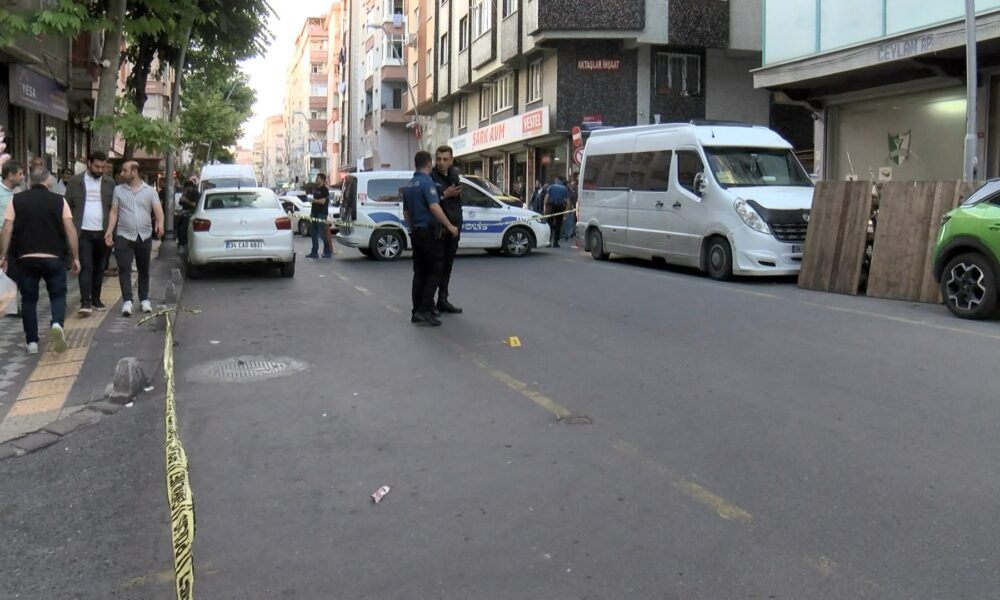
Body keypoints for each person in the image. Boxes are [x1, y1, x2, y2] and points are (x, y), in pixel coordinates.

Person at [0, 167, 80, 354]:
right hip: (54, 257)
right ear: (48, 181)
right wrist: (75, 256)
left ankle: (32, 342)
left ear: (29, 181)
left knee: (29, 300)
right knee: (58, 295)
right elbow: (70, 229)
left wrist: (3, 255)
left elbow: (7, 228)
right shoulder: (59, 200)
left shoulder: (16, 200)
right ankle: (57, 323)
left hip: (25, 258)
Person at [402, 151, 458, 327]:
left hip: (416, 232)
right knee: (435, 270)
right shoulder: (427, 183)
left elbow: (406, 212)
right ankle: (425, 310)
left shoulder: (409, 185)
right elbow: (434, 207)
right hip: (428, 233)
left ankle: (416, 311)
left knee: (419, 273)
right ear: (429, 164)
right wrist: (450, 226)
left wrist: (412, 227)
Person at [104, 161, 164, 317]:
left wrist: (160, 224)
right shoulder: (118, 190)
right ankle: (127, 301)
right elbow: (114, 212)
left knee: (144, 269)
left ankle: (144, 299)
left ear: (134, 172)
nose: (121, 173)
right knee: (124, 268)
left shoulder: (150, 191)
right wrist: (109, 231)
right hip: (123, 235)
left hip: (144, 235)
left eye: (125, 170)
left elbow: (158, 210)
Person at [65, 151, 115, 315]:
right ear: (89, 163)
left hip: (103, 232)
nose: (100, 170)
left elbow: (114, 209)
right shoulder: (75, 182)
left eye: (103, 167)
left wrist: (111, 232)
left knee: (100, 267)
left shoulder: (109, 183)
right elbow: (67, 206)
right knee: (86, 266)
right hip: (82, 232)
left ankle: (96, 299)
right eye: (97, 166)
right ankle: (85, 302)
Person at [429, 145, 463, 315]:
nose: (441, 162)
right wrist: (445, 194)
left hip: (454, 228)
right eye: (439, 159)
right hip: (439, 230)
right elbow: (430, 203)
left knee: (447, 266)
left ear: (451, 160)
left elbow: (457, 202)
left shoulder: (454, 176)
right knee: (436, 268)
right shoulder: (431, 177)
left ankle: (442, 300)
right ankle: (429, 304)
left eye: (445, 159)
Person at [1, 160, 24, 317]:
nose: (22, 177)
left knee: (13, 271)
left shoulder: (18, 192)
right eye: (20, 174)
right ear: (10, 175)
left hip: (15, 236)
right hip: (1, 234)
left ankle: (10, 305)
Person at [306, 173, 333, 258]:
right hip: (314, 213)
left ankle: (327, 250)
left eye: (318, 178)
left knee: (322, 232)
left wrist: (313, 200)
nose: (316, 180)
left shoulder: (325, 189)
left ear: (322, 180)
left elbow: (323, 201)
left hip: (321, 214)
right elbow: (315, 202)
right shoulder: (316, 189)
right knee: (313, 233)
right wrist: (311, 213)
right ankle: (314, 252)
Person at [543, 176, 570, 247]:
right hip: (560, 207)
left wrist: (545, 208)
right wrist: (566, 211)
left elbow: (546, 198)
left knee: (549, 224)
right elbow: (568, 201)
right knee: (558, 225)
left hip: (551, 207)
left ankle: (548, 242)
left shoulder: (551, 187)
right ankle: (555, 242)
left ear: (556, 180)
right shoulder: (565, 189)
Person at [176, 177, 200, 248]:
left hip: (191, 213)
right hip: (185, 213)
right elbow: (181, 203)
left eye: (186, 188)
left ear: (190, 187)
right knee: (178, 226)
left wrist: (186, 200)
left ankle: (184, 244)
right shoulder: (186, 193)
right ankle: (181, 243)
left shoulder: (195, 193)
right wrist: (183, 196)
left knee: (183, 228)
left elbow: (194, 204)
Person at [562, 172, 579, 241]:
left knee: (571, 222)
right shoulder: (569, 191)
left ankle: (570, 233)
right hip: (570, 209)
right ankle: (567, 234)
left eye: (573, 184)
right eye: (571, 184)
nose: (572, 185)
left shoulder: (573, 191)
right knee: (569, 222)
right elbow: (568, 201)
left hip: (573, 208)